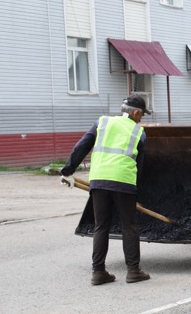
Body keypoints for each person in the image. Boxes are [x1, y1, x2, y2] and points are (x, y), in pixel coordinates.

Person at [60, 95, 152, 285]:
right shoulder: (138, 132)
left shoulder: (101, 123)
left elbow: (81, 147)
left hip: (99, 180)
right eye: (142, 115)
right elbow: (140, 168)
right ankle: (133, 271)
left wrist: (68, 171)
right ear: (135, 112)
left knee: (100, 226)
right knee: (129, 226)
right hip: (124, 182)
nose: (141, 118)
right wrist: (137, 190)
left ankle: (98, 272)